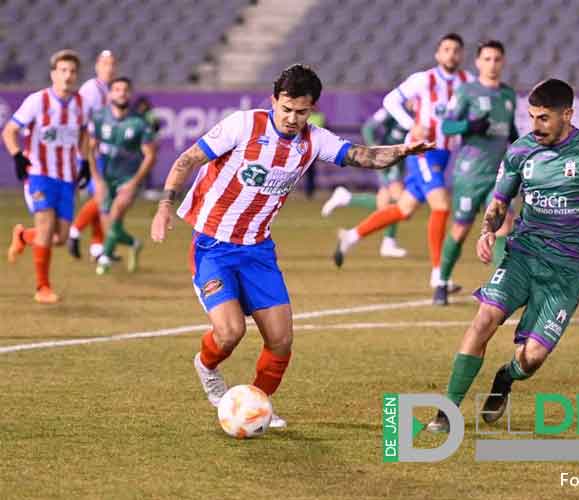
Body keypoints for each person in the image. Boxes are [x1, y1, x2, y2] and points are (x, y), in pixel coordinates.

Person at [150, 64, 433, 427]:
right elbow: (188, 158)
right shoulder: (243, 125)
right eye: (286, 109)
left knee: (281, 341)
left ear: (311, 108)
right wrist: (163, 207)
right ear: (274, 101)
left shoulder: (314, 139)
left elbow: (363, 156)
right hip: (213, 246)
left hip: (258, 251)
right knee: (230, 332)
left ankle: (257, 404)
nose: (292, 118)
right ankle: (206, 365)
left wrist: (402, 151)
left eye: (301, 111)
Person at [427, 79, 579, 432]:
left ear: (567, 114)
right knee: (484, 320)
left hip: (568, 269)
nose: (535, 125)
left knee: (533, 358)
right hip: (523, 254)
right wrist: (486, 230)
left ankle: (506, 377)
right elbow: (500, 202)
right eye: (531, 117)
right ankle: (446, 413)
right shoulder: (520, 151)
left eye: (543, 118)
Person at [333, 33, 474, 291]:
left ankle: (351, 236)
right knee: (441, 206)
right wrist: (412, 125)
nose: (451, 54)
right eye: (446, 49)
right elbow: (390, 100)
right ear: (438, 54)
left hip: (444, 154)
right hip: (422, 151)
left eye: (456, 50)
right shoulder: (424, 79)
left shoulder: (468, 82)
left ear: (462, 55)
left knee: (404, 208)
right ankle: (438, 275)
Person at [434, 40, 518, 305]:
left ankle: (499, 289)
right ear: (478, 62)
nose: (492, 64)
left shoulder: (508, 95)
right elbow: (446, 127)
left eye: (497, 59)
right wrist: (470, 125)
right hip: (470, 174)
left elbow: (511, 132)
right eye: (487, 59)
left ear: (503, 62)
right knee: (461, 228)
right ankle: (441, 282)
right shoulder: (466, 91)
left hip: (498, 174)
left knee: (504, 225)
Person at [3, 49, 92, 303]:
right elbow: (10, 131)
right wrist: (18, 155)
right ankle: (42, 288)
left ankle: (22, 236)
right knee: (45, 227)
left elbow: (85, 134)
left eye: (72, 71)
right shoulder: (37, 101)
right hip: (39, 174)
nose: (68, 76)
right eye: (63, 70)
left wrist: (84, 162)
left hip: (67, 177)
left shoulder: (81, 105)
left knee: (60, 238)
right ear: (53, 74)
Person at [321, 104, 411, 258]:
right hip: (388, 158)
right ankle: (387, 243)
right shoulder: (395, 107)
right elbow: (368, 127)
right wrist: (374, 150)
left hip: (401, 159)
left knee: (386, 203)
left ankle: (347, 199)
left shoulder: (421, 109)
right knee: (399, 201)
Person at [90, 77, 157, 275]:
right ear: (110, 94)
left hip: (128, 179)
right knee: (110, 226)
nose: (121, 93)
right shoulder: (100, 118)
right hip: (106, 178)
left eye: (125, 89)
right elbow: (90, 149)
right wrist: (96, 178)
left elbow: (150, 155)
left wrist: (135, 182)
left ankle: (104, 259)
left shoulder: (139, 122)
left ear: (130, 93)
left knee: (117, 211)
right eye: (117, 89)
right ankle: (134, 243)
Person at [68, 50, 117, 259]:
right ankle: (75, 230)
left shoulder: (108, 90)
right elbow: (82, 121)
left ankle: (98, 248)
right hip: (93, 154)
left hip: (104, 153)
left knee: (102, 201)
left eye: (113, 64)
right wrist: (85, 156)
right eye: (105, 63)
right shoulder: (92, 89)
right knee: (102, 197)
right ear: (97, 66)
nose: (109, 68)